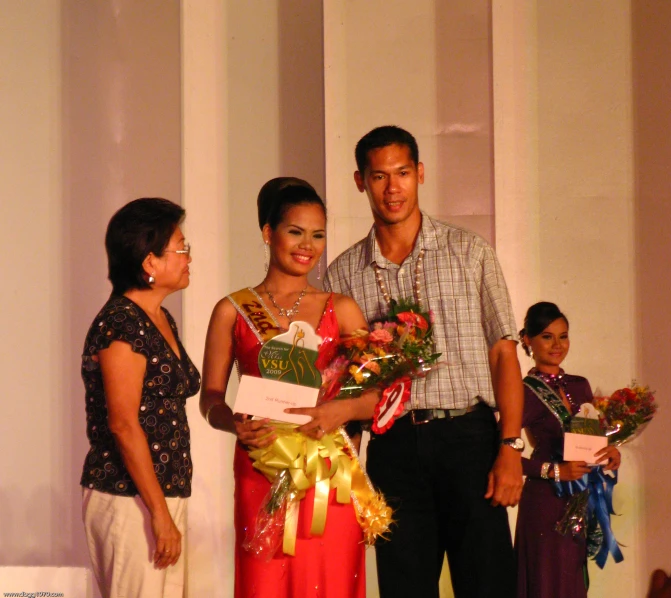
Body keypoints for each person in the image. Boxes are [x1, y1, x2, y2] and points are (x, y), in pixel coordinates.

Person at [324, 125, 524, 598]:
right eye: (378, 177)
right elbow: (345, 383)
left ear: (420, 174)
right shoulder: (343, 273)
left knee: (489, 581)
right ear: (360, 182)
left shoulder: (469, 251)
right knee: (404, 586)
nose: (392, 188)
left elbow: (503, 351)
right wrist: (345, 470)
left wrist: (511, 448)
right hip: (392, 450)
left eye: (402, 173)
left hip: (469, 437)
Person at [200, 178, 379, 598]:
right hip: (261, 465)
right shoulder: (232, 310)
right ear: (268, 233)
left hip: (328, 473)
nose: (308, 245)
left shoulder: (343, 309)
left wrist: (340, 412)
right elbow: (210, 398)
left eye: (318, 235)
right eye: (295, 231)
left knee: (328, 581)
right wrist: (233, 423)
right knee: (265, 582)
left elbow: (377, 395)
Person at [80, 198, 200, 598]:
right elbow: (123, 423)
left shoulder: (161, 317)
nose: (188, 257)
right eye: (181, 248)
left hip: (165, 492)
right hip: (128, 498)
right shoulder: (121, 323)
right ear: (150, 262)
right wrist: (160, 515)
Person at [515, 301, 621, 598]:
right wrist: (555, 471)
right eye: (547, 336)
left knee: (572, 584)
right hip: (545, 502)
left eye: (563, 336)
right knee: (548, 584)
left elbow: (592, 440)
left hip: (579, 499)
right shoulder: (523, 391)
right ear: (528, 340)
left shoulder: (580, 385)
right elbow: (503, 455)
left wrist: (610, 454)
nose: (557, 344)